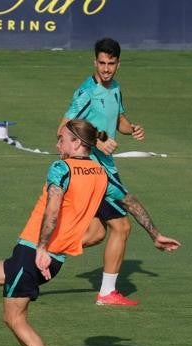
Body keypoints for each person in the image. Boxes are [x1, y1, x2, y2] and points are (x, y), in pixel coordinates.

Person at [0, 120, 180, 346]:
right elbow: (131, 202)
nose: (57, 144)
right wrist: (155, 234)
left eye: (61, 139)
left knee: (14, 319)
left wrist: (42, 248)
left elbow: (53, 209)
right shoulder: (101, 175)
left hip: (35, 253)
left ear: (77, 144)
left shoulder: (62, 168)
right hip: (43, 256)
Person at [56, 37, 149, 306]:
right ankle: (107, 293)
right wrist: (96, 141)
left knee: (96, 234)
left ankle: (44, 251)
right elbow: (64, 129)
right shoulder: (86, 92)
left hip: (107, 169)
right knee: (122, 226)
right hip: (91, 172)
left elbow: (118, 118)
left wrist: (132, 129)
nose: (106, 69)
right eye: (101, 63)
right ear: (94, 61)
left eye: (111, 64)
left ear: (119, 64)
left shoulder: (116, 88)